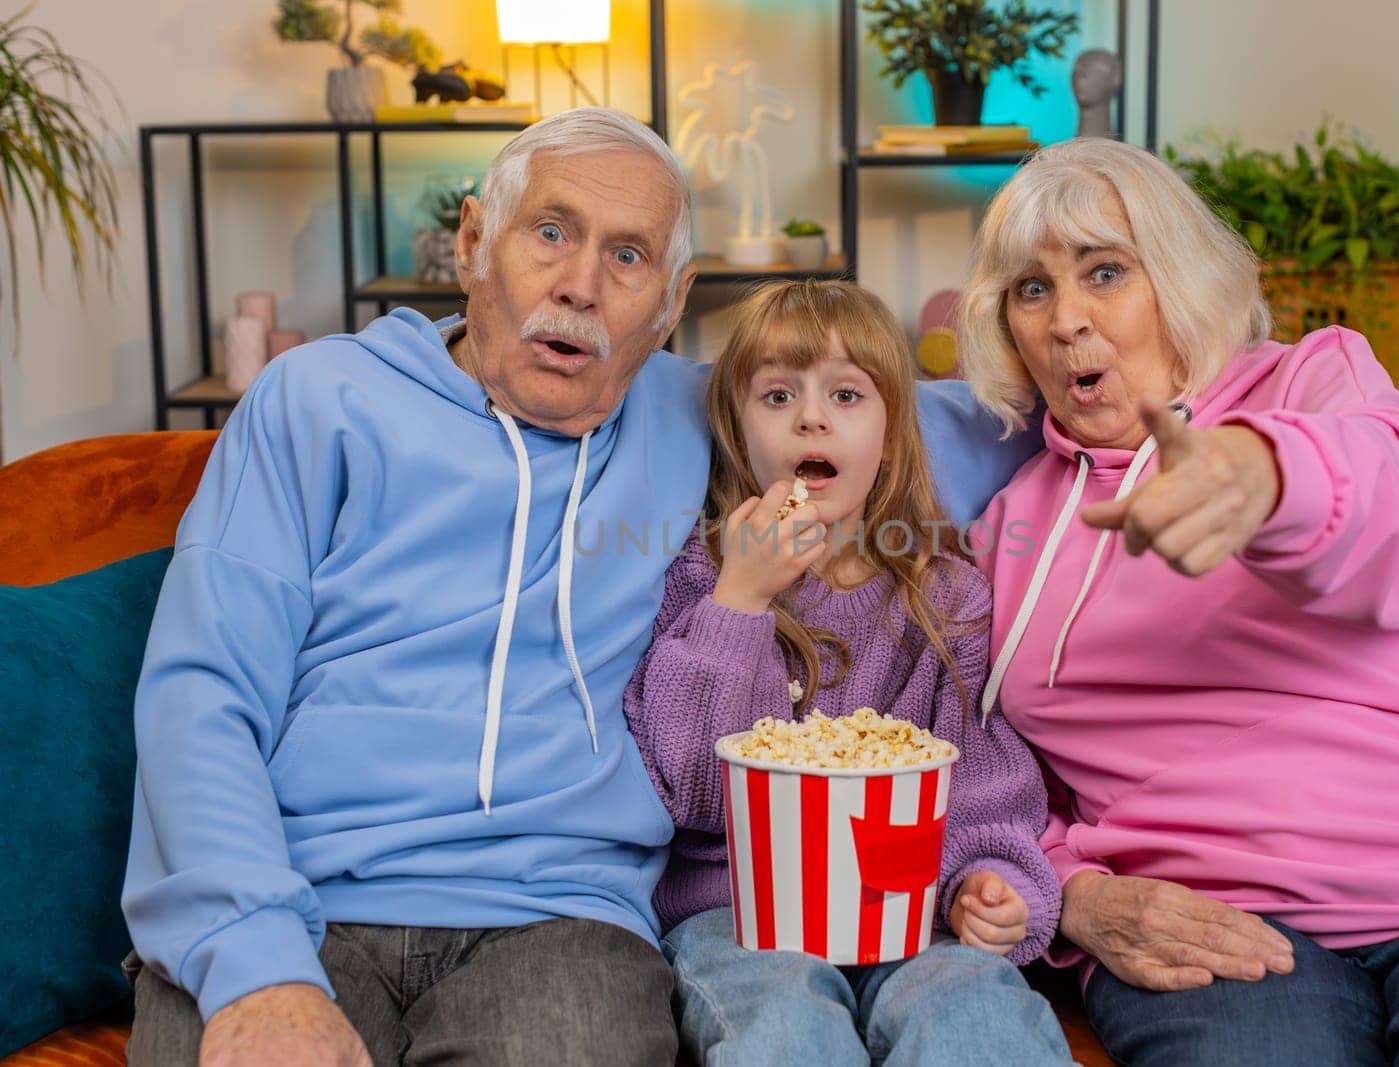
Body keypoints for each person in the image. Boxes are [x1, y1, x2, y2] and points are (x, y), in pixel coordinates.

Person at [121, 109, 1036, 1065]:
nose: (581, 287)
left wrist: (1194, 445)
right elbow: (201, 698)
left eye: (629, 255)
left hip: (563, 916)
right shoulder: (317, 400)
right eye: (551, 232)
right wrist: (255, 963)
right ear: (476, 242)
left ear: (673, 301)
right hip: (297, 894)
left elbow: (951, 421)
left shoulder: (716, 412)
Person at [958, 136, 1399, 1064]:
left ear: (1177, 279)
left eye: (1105, 272)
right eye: (1032, 289)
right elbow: (997, 775)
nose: (1067, 320)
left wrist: (1259, 473)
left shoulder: (1313, 382)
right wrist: (1074, 893)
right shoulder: (1008, 528)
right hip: (1211, 918)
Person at [622, 280, 1074, 1065]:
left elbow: (983, 790)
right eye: (777, 394)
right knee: (787, 1030)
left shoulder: (946, 598)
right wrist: (742, 599)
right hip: (741, 915)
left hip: (913, 909)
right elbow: (689, 790)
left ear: (892, 434)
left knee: (971, 1013)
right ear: (736, 429)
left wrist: (993, 883)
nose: (811, 416)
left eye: (844, 393)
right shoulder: (701, 580)